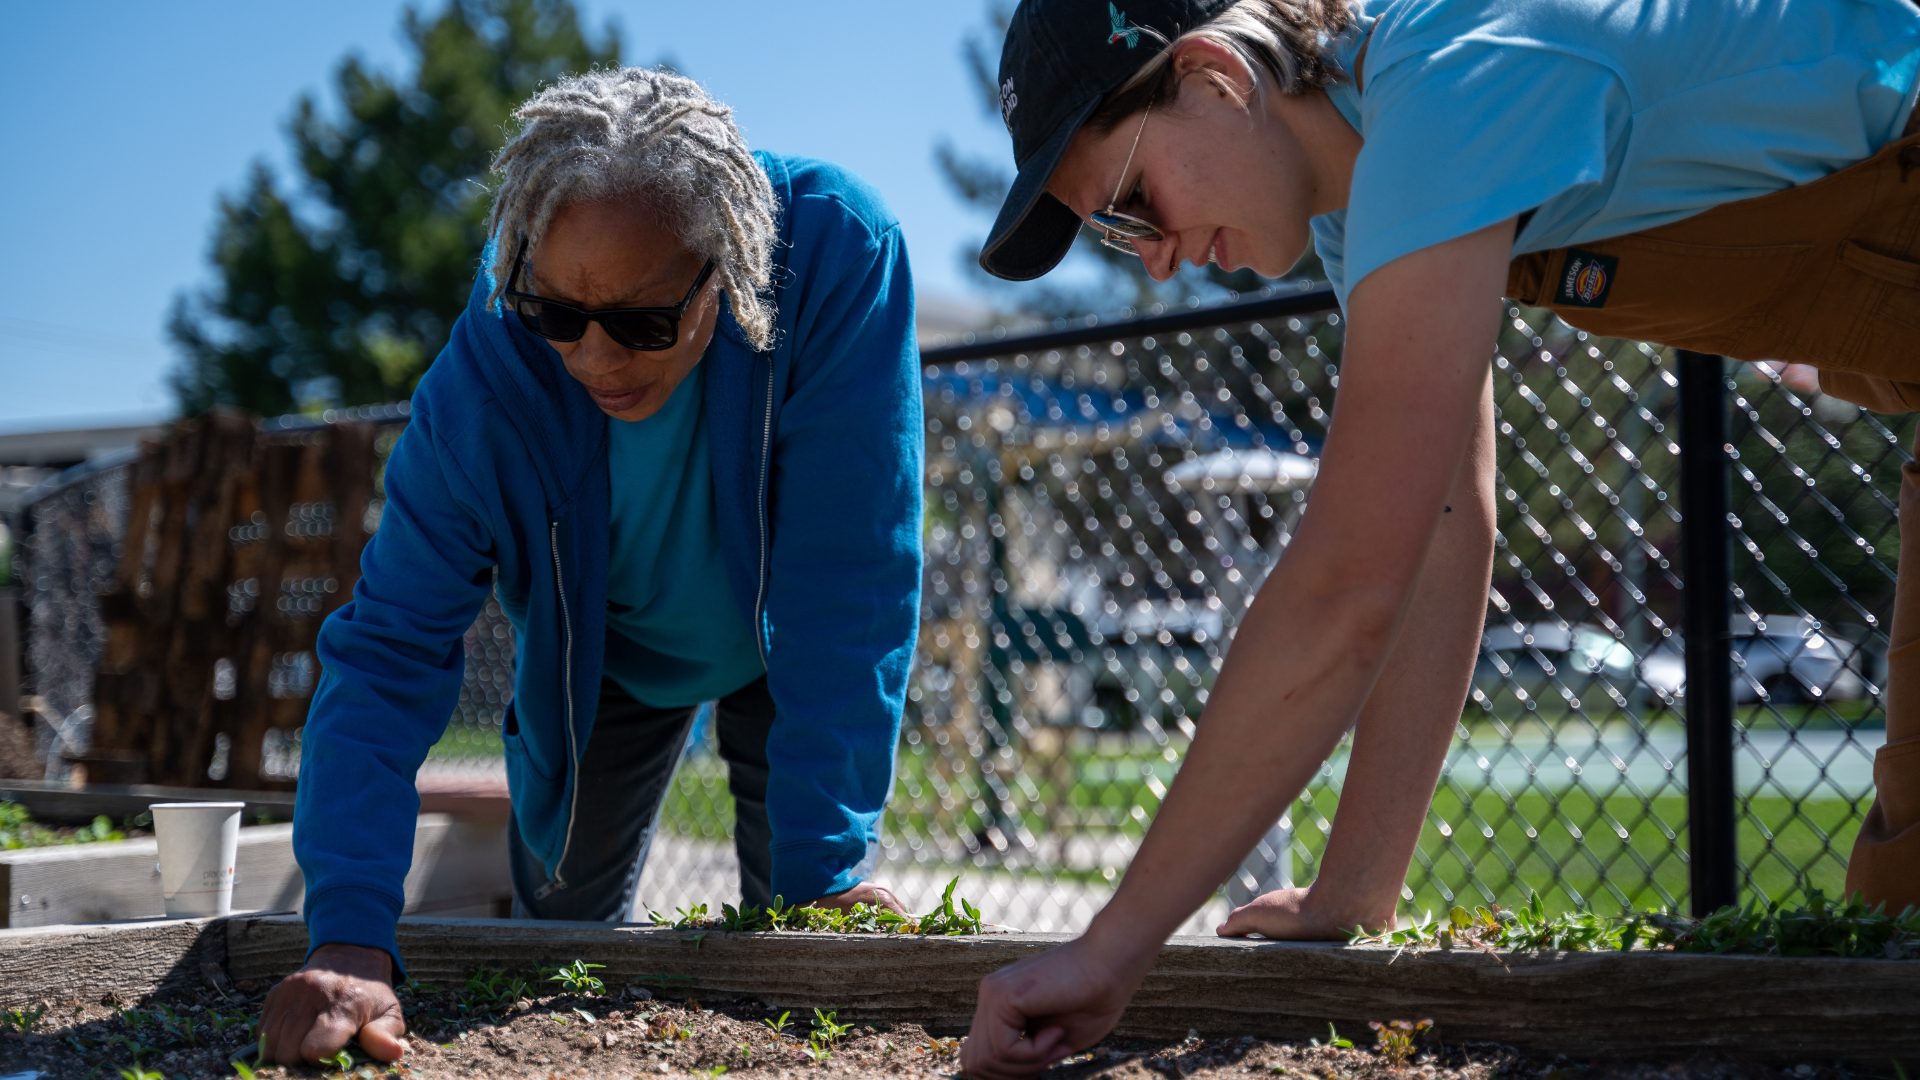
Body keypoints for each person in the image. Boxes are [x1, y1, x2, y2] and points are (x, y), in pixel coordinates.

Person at [960, 0, 1920, 1075]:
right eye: (1116, 235)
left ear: (1217, 77)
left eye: (1133, 206)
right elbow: (1441, 532)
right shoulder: (1367, 181)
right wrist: (1354, 891)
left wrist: (1111, 949)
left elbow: (1346, 589)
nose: (1157, 264)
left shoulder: (1452, 80)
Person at [259, 68, 923, 1066]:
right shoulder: (482, 387)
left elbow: (848, 577)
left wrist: (827, 862)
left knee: (806, 951)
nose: (595, 359)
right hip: (601, 665)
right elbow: (389, 654)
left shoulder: (835, 255)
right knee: (554, 954)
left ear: (731, 269)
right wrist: (350, 935)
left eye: (645, 324)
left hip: (791, 646)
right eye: (557, 315)